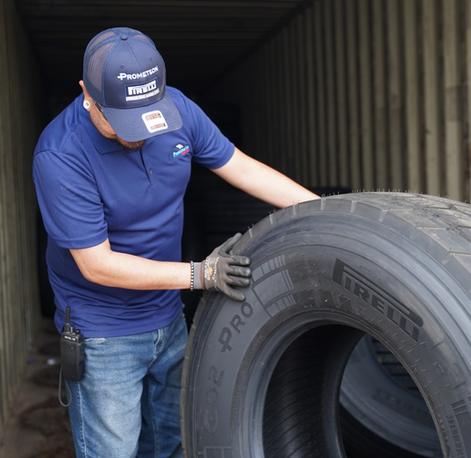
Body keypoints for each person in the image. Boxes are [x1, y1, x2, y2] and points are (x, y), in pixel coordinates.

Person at [32, 27, 318, 458]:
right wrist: (200, 274)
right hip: (104, 333)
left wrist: (328, 213)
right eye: (122, 121)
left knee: (172, 444)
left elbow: (242, 169)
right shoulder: (60, 156)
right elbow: (97, 264)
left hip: (168, 318)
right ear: (87, 94)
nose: (137, 134)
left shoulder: (177, 109)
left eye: (146, 116)